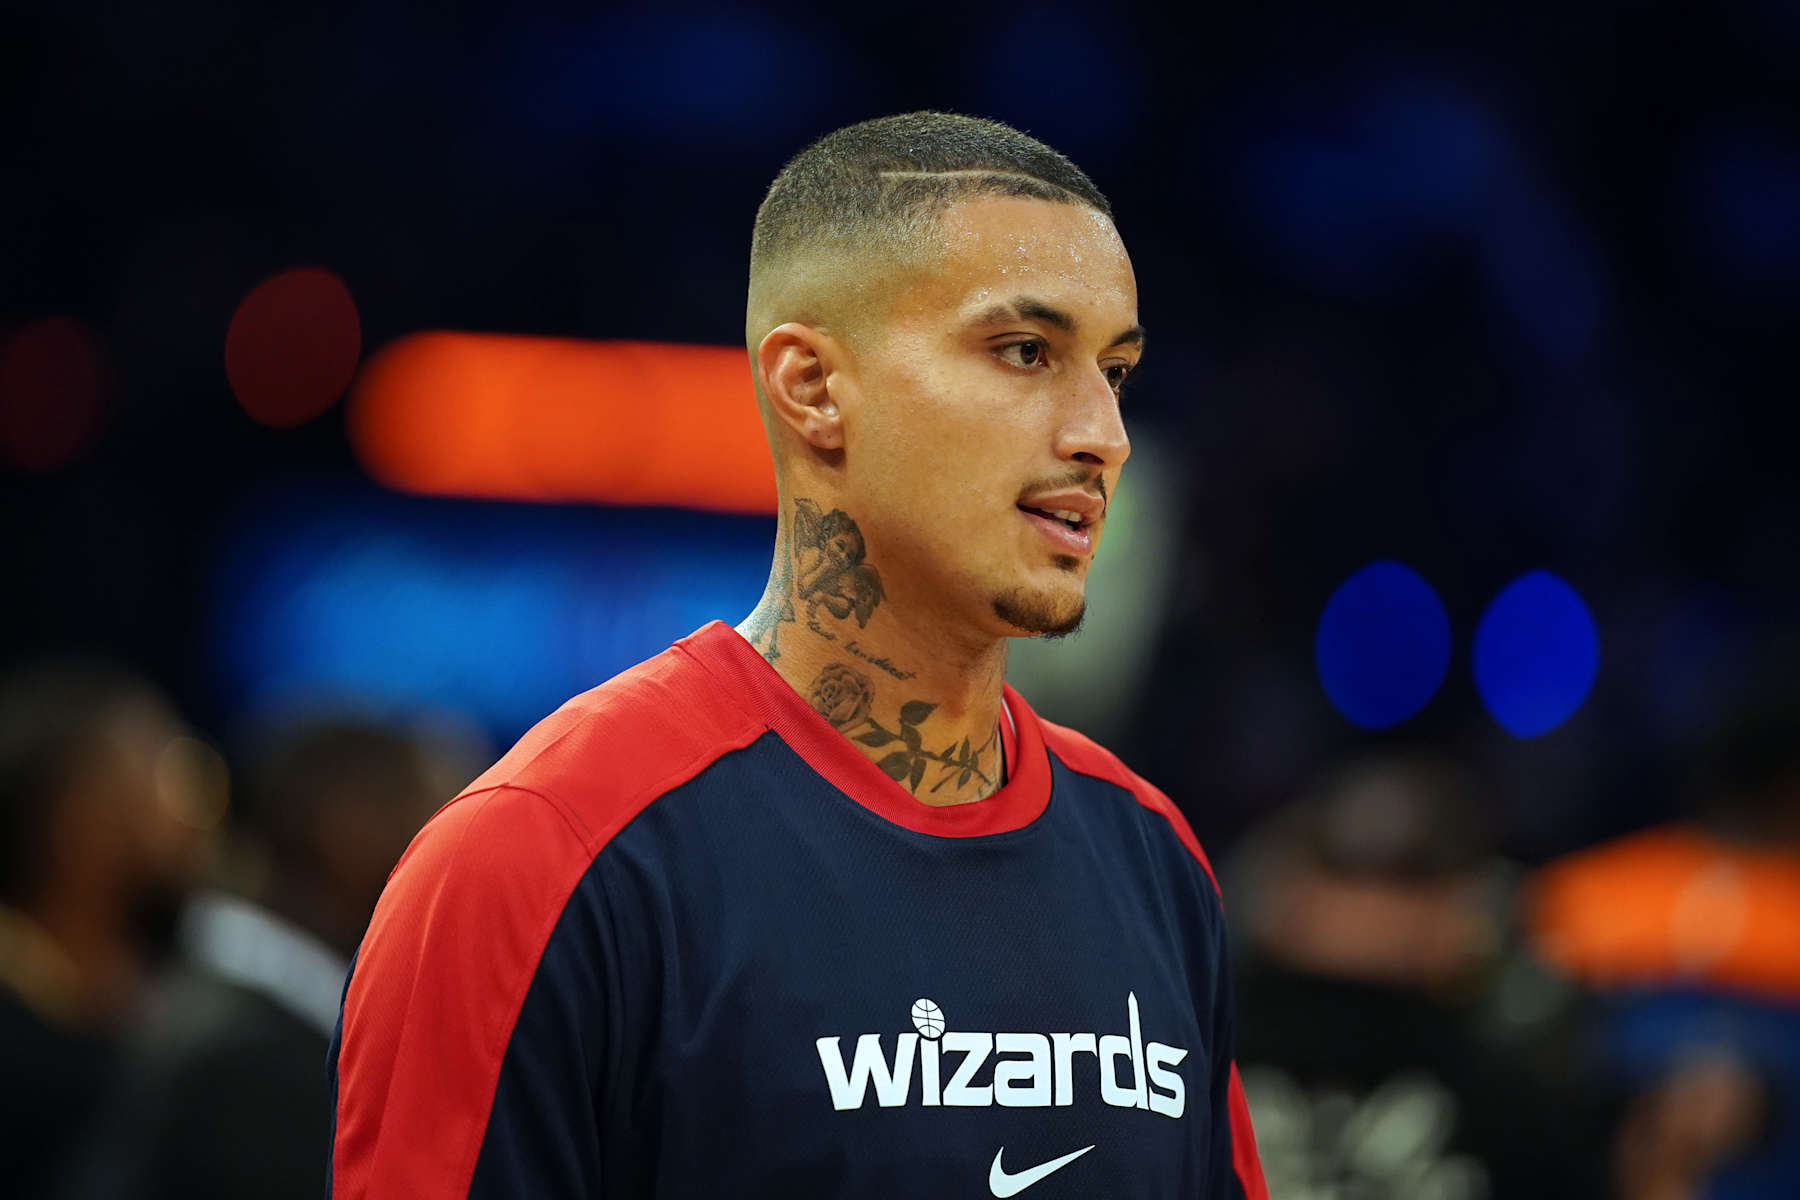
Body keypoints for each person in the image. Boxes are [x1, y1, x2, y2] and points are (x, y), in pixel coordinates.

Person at [330, 111, 1268, 1199]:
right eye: (1026, 352)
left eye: (1116, 371)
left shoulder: (1153, 862)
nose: (1102, 433)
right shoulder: (544, 858)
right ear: (814, 387)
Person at [86, 718, 457, 1200]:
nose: (462, 855)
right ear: (347, 826)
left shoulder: (222, 1009)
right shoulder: (245, 1058)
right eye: (445, 818)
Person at [0, 661, 212, 1199]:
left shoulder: (197, 989)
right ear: (75, 822)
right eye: (164, 773)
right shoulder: (19, 1042)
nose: (198, 808)